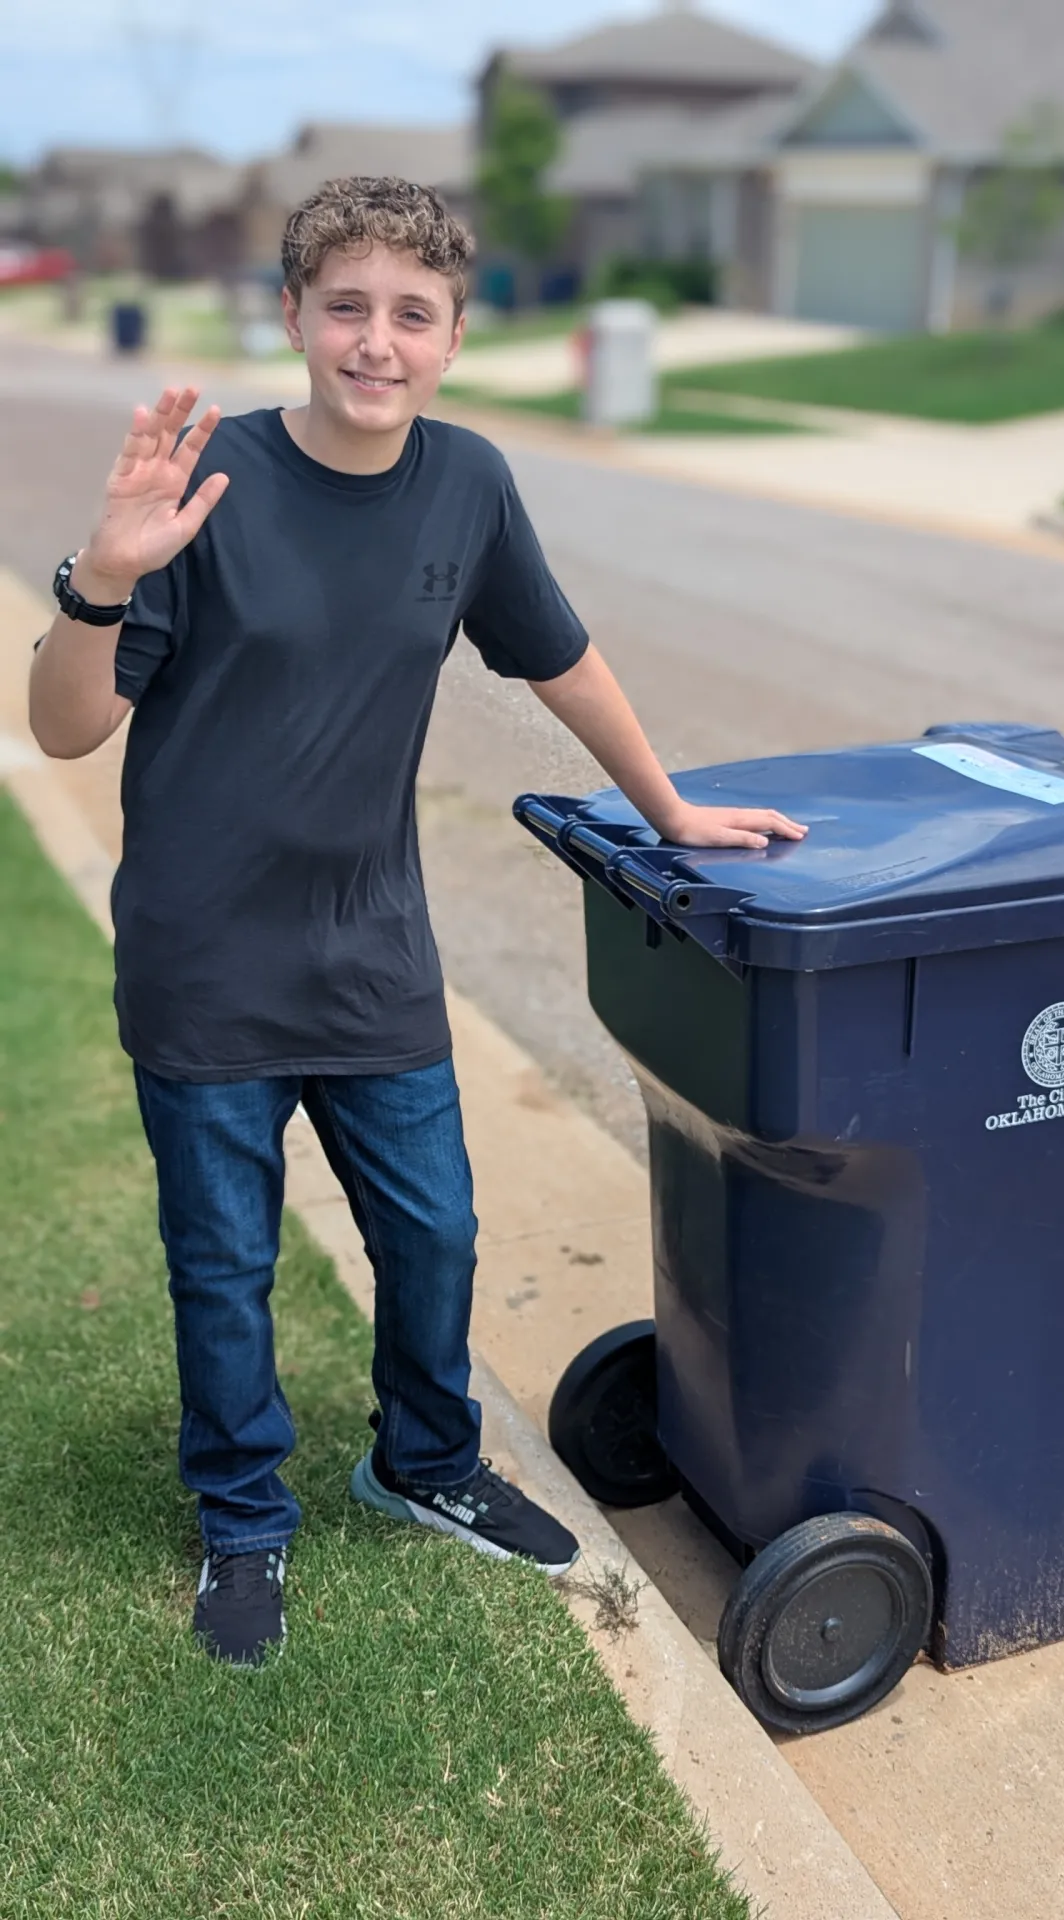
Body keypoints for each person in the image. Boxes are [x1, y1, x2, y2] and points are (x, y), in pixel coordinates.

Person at [28, 175, 806, 1667]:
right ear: (293, 319)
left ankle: (425, 1463)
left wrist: (671, 808)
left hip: (372, 952)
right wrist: (100, 582)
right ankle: (243, 1520)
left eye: (412, 314)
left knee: (437, 1232)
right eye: (346, 308)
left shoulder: (468, 485)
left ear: (453, 338)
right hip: (203, 968)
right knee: (222, 1264)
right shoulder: (213, 490)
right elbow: (66, 728)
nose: (375, 343)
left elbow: (559, 660)